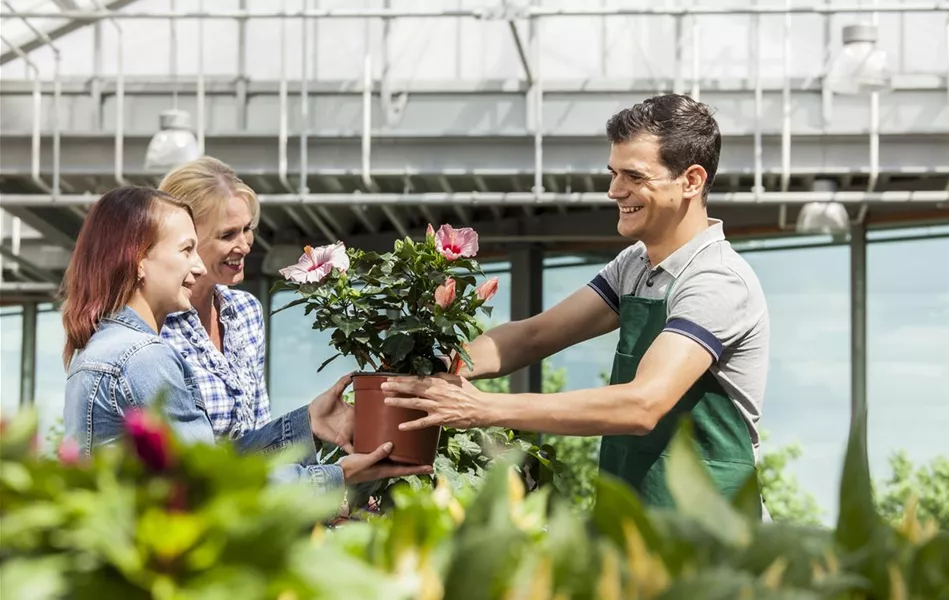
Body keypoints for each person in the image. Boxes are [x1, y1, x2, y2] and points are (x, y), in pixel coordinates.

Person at [380, 94, 771, 513]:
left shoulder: (716, 279)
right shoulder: (635, 264)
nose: (614, 191)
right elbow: (533, 336)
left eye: (634, 176)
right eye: (614, 173)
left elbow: (642, 404)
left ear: (691, 181)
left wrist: (482, 407)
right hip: (636, 524)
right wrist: (438, 369)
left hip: (714, 535)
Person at [61, 186, 431, 493]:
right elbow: (216, 481)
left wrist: (306, 423)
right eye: (186, 250)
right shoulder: (143, 357)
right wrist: (338, 477)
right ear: (139, 260)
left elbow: (207, 458)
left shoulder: (104, 346)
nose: (199, 267)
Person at [155, 157, 272, 440]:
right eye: (227, 234)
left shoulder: (246, 311)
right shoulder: (154, 325)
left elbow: (260, 429)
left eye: (246, 229)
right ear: (185, 240)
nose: (244, 245)